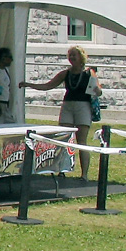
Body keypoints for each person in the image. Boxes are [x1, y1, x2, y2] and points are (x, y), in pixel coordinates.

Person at [22, 45, 100, 181]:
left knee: (82, 141)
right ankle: (61, 170)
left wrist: (97, 90)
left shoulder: (89, 73)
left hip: (83, 107)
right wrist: (29, 85)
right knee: (63, 139)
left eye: (74, 55)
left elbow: (97, 90)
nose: (71, 58)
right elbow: (48, 85)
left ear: (81, 57)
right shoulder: (66, 73)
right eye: (70, 55)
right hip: (68, 106)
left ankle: (84, 174)